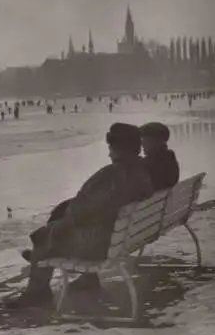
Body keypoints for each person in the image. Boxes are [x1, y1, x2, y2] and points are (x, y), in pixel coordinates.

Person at [10, 123, 153, 308]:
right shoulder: (140, 171)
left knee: (44, 237)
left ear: (117, 148)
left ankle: (37, 293)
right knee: (58, 227)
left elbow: (80, 213)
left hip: (100, 246)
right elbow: (101, 205)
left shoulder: (110, 175)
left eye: (111, 148)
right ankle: (87, 279)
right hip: (121, 237)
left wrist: (62, 219)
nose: (109, 153)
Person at [140, 122, 179, 191]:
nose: (142, 144)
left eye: (145, 140)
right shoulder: (170, 158)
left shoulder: (149, 163)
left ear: (155, 141)